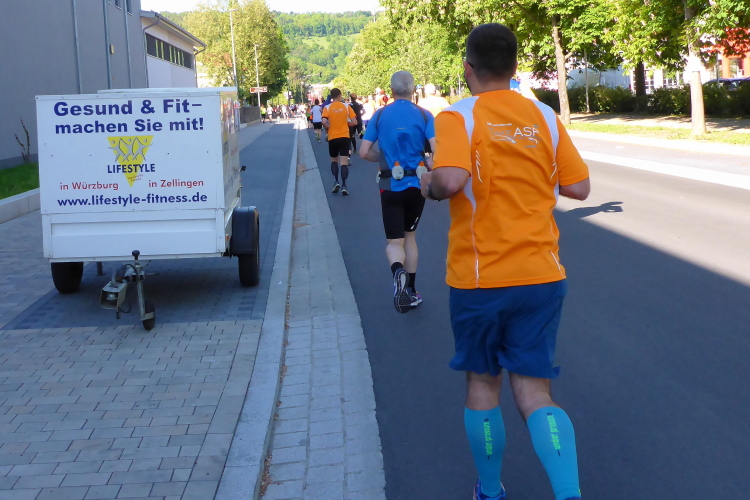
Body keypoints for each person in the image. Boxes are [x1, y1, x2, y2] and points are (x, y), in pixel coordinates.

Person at [419, 23, 590, 500]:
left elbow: (450, 181)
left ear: (467, 68)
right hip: (542, 274)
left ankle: (491, 491)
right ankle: (569, 493)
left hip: (481, 279)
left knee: (483, 384)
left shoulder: (457, 116)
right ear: (515, 68)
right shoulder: (544, 115)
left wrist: (429, 183)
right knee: (535, 392)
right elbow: (579, 187)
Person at [359, 71, 435, 313]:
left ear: (391, 90)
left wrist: (383, 159)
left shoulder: (380, 115)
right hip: (416, 184)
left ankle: (397, 270)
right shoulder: (424, 115)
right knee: (410, 237)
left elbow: (363, 152)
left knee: (394, 241)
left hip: (389, 184)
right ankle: (411, 290)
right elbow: (436, 151)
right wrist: (430, 164)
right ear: (413, 90)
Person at [322, 88, 357, 195]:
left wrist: (328, 127)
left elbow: (323, 121)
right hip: (345, 137)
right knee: (344, 162)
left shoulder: (327, 107)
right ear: (339, 95)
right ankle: (344, 185)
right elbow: (354, 122)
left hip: (333, 137)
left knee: (334, 160)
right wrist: (347, 124)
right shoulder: (346, 106)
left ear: (331, 96)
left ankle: (336, 181)